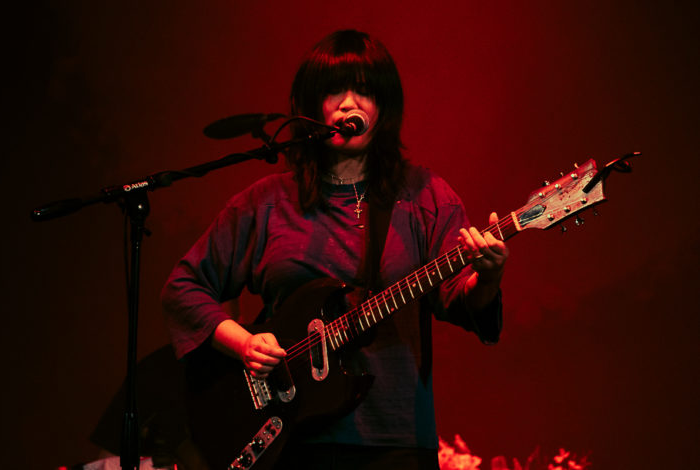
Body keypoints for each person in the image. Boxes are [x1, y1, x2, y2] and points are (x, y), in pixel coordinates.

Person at [161, 30, 508, 470]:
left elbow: (462, 300)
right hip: (289, 440)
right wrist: (245, 343)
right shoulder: (266, 203)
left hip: (395, 438)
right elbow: (184, 287)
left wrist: (488, 276)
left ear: (384, 107)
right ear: (312, 107)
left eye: (363, 91)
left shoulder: (426, 197)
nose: (348, 104)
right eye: (333, 92)